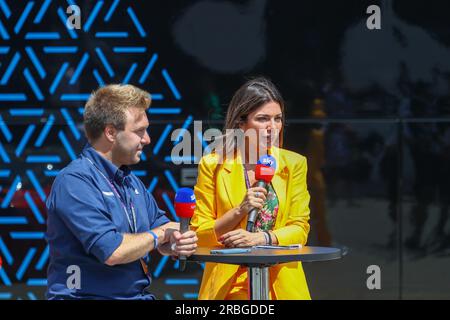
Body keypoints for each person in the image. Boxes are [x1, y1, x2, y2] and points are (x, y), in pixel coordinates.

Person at [46, 84, 198, 300]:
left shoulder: (130, 181)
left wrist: (175, 241)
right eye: (139, 131)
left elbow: (161, 231)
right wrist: (162, 234)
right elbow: (112, 251)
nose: (147, 139)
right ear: (110, 132)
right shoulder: (74, 181)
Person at [191, 77, 311, 299]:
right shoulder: (213, 165)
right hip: (231, 284)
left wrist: (261, 238)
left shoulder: (294, 164)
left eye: (278, 119)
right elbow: (200, 234)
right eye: (263, 119)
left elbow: (299, 229)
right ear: (240, 123)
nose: (272, 128)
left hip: (280, 285)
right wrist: (240, 210)